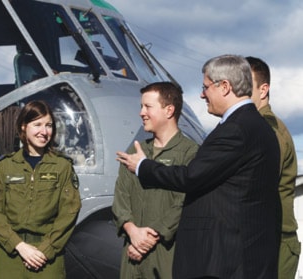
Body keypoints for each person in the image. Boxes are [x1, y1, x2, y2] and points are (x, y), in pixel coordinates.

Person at [116, 54, 281, 278]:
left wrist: (143, 166)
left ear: (224, 86)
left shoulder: (236, 130)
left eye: (205, 87)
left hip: (228, 261)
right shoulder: (258, 127)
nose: (202, 94)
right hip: (244, 257)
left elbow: (191, 177)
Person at [0, 100, 81, 279]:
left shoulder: (62, 167)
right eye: (37, 125)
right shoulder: (5, 167)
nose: (44, 132)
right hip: (10, 254)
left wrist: (45, 250)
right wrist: (19, 245)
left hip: (47, 258)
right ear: (23, 127)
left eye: (49, 125)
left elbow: (69, 212)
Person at [112, 82, 199, 278]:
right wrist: (132, 231)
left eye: (147, 107)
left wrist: (148, 239)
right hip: (131, 255)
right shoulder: (134, 151)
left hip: (166, 255)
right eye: (141, 106)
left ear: (169, 110)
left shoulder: (190, 153)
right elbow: (121, 197)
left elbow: (183, 203)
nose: (141, 112)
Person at [246, 56, 301, 278]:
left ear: (263, 89)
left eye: (245, 86)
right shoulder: (251, 127)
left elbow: (259, 181)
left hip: (275, 241)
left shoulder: (269, 129)